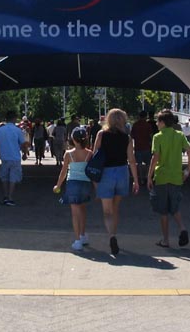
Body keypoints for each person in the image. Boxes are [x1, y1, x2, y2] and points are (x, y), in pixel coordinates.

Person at [92, 108, 140, 256]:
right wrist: (136, 181)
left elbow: (95, 156)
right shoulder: (127, 138)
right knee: (116, 207)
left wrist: (94, 181)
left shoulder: (101, 134)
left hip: (106, 172)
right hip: (121, 172)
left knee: (107, 211)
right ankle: (114, 233)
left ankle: (111, 236)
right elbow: (131, 160)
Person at [147, 109, 190, 248]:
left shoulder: (157, 137)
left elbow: (156, 158)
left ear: (162, 122)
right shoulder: (179, 135)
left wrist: (149, 176)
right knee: (175, 207)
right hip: (176, 176)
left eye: (157, 121)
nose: (156, 123)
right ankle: (182, 228)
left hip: (161, 176)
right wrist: (188, 170)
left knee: (163, 210)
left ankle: (165, 240)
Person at [54, 127, 93, 250]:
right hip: (86, 184)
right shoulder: (89, 154)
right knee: (83, 210)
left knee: (75, 214)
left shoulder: (68, 154)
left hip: (72, 184)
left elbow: (63, 172)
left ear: (73, 140)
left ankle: (77, 241)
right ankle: (82, 235)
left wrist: (58, 185)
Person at [0, 110, 29, 205]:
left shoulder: (0, 130)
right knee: (13, 177)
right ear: (14, 119)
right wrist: (24, 154)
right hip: (15, 157)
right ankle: (10, 197)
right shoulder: (17, 130)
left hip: (4, 157)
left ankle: (5, 196)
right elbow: (23, 143)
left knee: (4, 177)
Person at [131, 110, 155, 185]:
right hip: (147, 147)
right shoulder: (148, 125)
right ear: (145, 116)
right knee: (148, 164)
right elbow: (151, 136)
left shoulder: (135, 125)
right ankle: (147, 177)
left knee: (139, 164)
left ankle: (141, 178)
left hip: (138, 147)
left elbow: (132, 136)